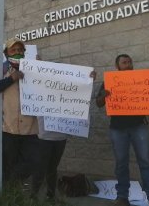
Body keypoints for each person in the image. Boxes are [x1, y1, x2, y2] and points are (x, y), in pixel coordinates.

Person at [95, 54, 149, 206]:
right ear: (117, 66)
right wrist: (104, 95)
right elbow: (98, 103)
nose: (128, 64)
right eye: (124, 62)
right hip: (117, 128)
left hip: (139, 126)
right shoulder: (109, 81)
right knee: (121, 163)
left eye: (129, 62)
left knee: (146, 162)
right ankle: (122, 197)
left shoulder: (143, 80)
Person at [31, 70, 96, 202]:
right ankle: (33, 196)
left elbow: (84, 97)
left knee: (52, 168)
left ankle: (50, 196)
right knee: (40, 168)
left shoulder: (69, 93)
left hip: (60, 137)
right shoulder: (42, 91)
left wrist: (90, 82)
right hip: (43, 136)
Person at [0, 38, 39, 186]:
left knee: (33, 162)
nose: (17, 52)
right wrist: (10, 79)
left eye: (20, 50)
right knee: (7, 165)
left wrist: (86, 78)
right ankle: (7, 193)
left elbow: (56, 84)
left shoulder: (35, 69)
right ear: (6, 54)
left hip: (30, 128)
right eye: (13, 50)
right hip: (5, 128)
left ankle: (5, 185)